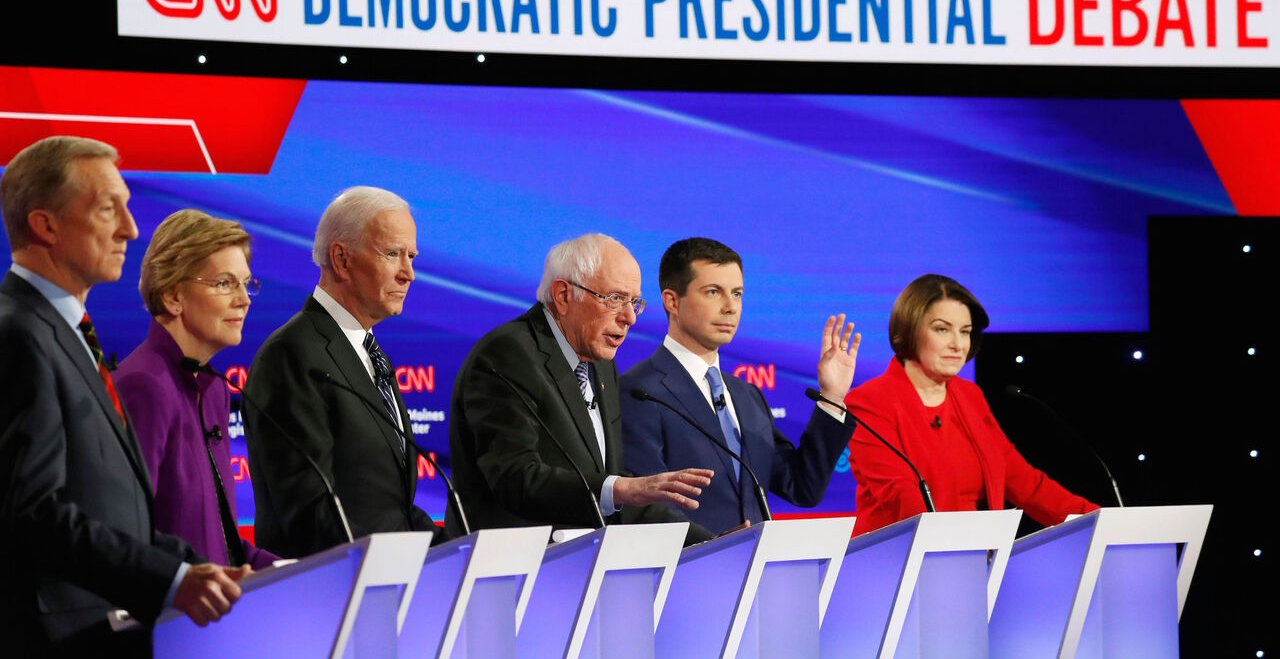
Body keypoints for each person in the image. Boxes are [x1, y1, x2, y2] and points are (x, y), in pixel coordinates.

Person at [0, 136, 249, 655]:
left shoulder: (66, 334)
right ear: (45, 225)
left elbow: (115, 514)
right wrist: (171, 580)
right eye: (108, 208)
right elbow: (31, 514)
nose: (130, 229)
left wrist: (195, 569)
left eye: (128, 208)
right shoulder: (17, 333)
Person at [447, 233, 715, 544]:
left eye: (634, 302)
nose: (629, 317)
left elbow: (613, 495)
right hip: (513, 564)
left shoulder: (600, 366)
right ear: (563, 296)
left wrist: (711, 544)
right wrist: (620, 489)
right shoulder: (508, 355)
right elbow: (515, 478)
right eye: (615, 298)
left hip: (581, 563)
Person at [242, 186, 444, 558]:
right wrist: (398, 559)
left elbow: (388, 506)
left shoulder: (368, 351)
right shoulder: (292, 355)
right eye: (393, 254)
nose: (409, 274)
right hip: (330, 585)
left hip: (382, 579)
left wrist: (453, 549)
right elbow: (309, 513)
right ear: (342, 259)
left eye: (411, 256)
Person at [619, 238, 860, 534]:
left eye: (737, 294)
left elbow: (801, 486)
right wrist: (714, 547)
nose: (730, 307)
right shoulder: (640, 392)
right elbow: (646, 507)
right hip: (689, 562)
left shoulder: (746, 396)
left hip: (755, 562)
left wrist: (832, 397)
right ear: (672, 301)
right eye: (713, 292)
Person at [844, 273, 1100, 536]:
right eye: (942, 329)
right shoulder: (868, 403)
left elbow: (1024, 482)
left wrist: (1098, 521)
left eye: (965, 332)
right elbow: (900, 497)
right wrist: (958, 548)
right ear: (909, 330)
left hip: (979, 553)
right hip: (907, 555)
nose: (958, 344)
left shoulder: (970, 397)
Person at [114, 209, 279, 571]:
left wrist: (297, 572)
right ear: (173, 296)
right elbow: (126, 537)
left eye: (246, 283)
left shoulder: (214, 389)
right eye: (225, 283)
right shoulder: (143, 386)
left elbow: (223, 545)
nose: (244, 299)